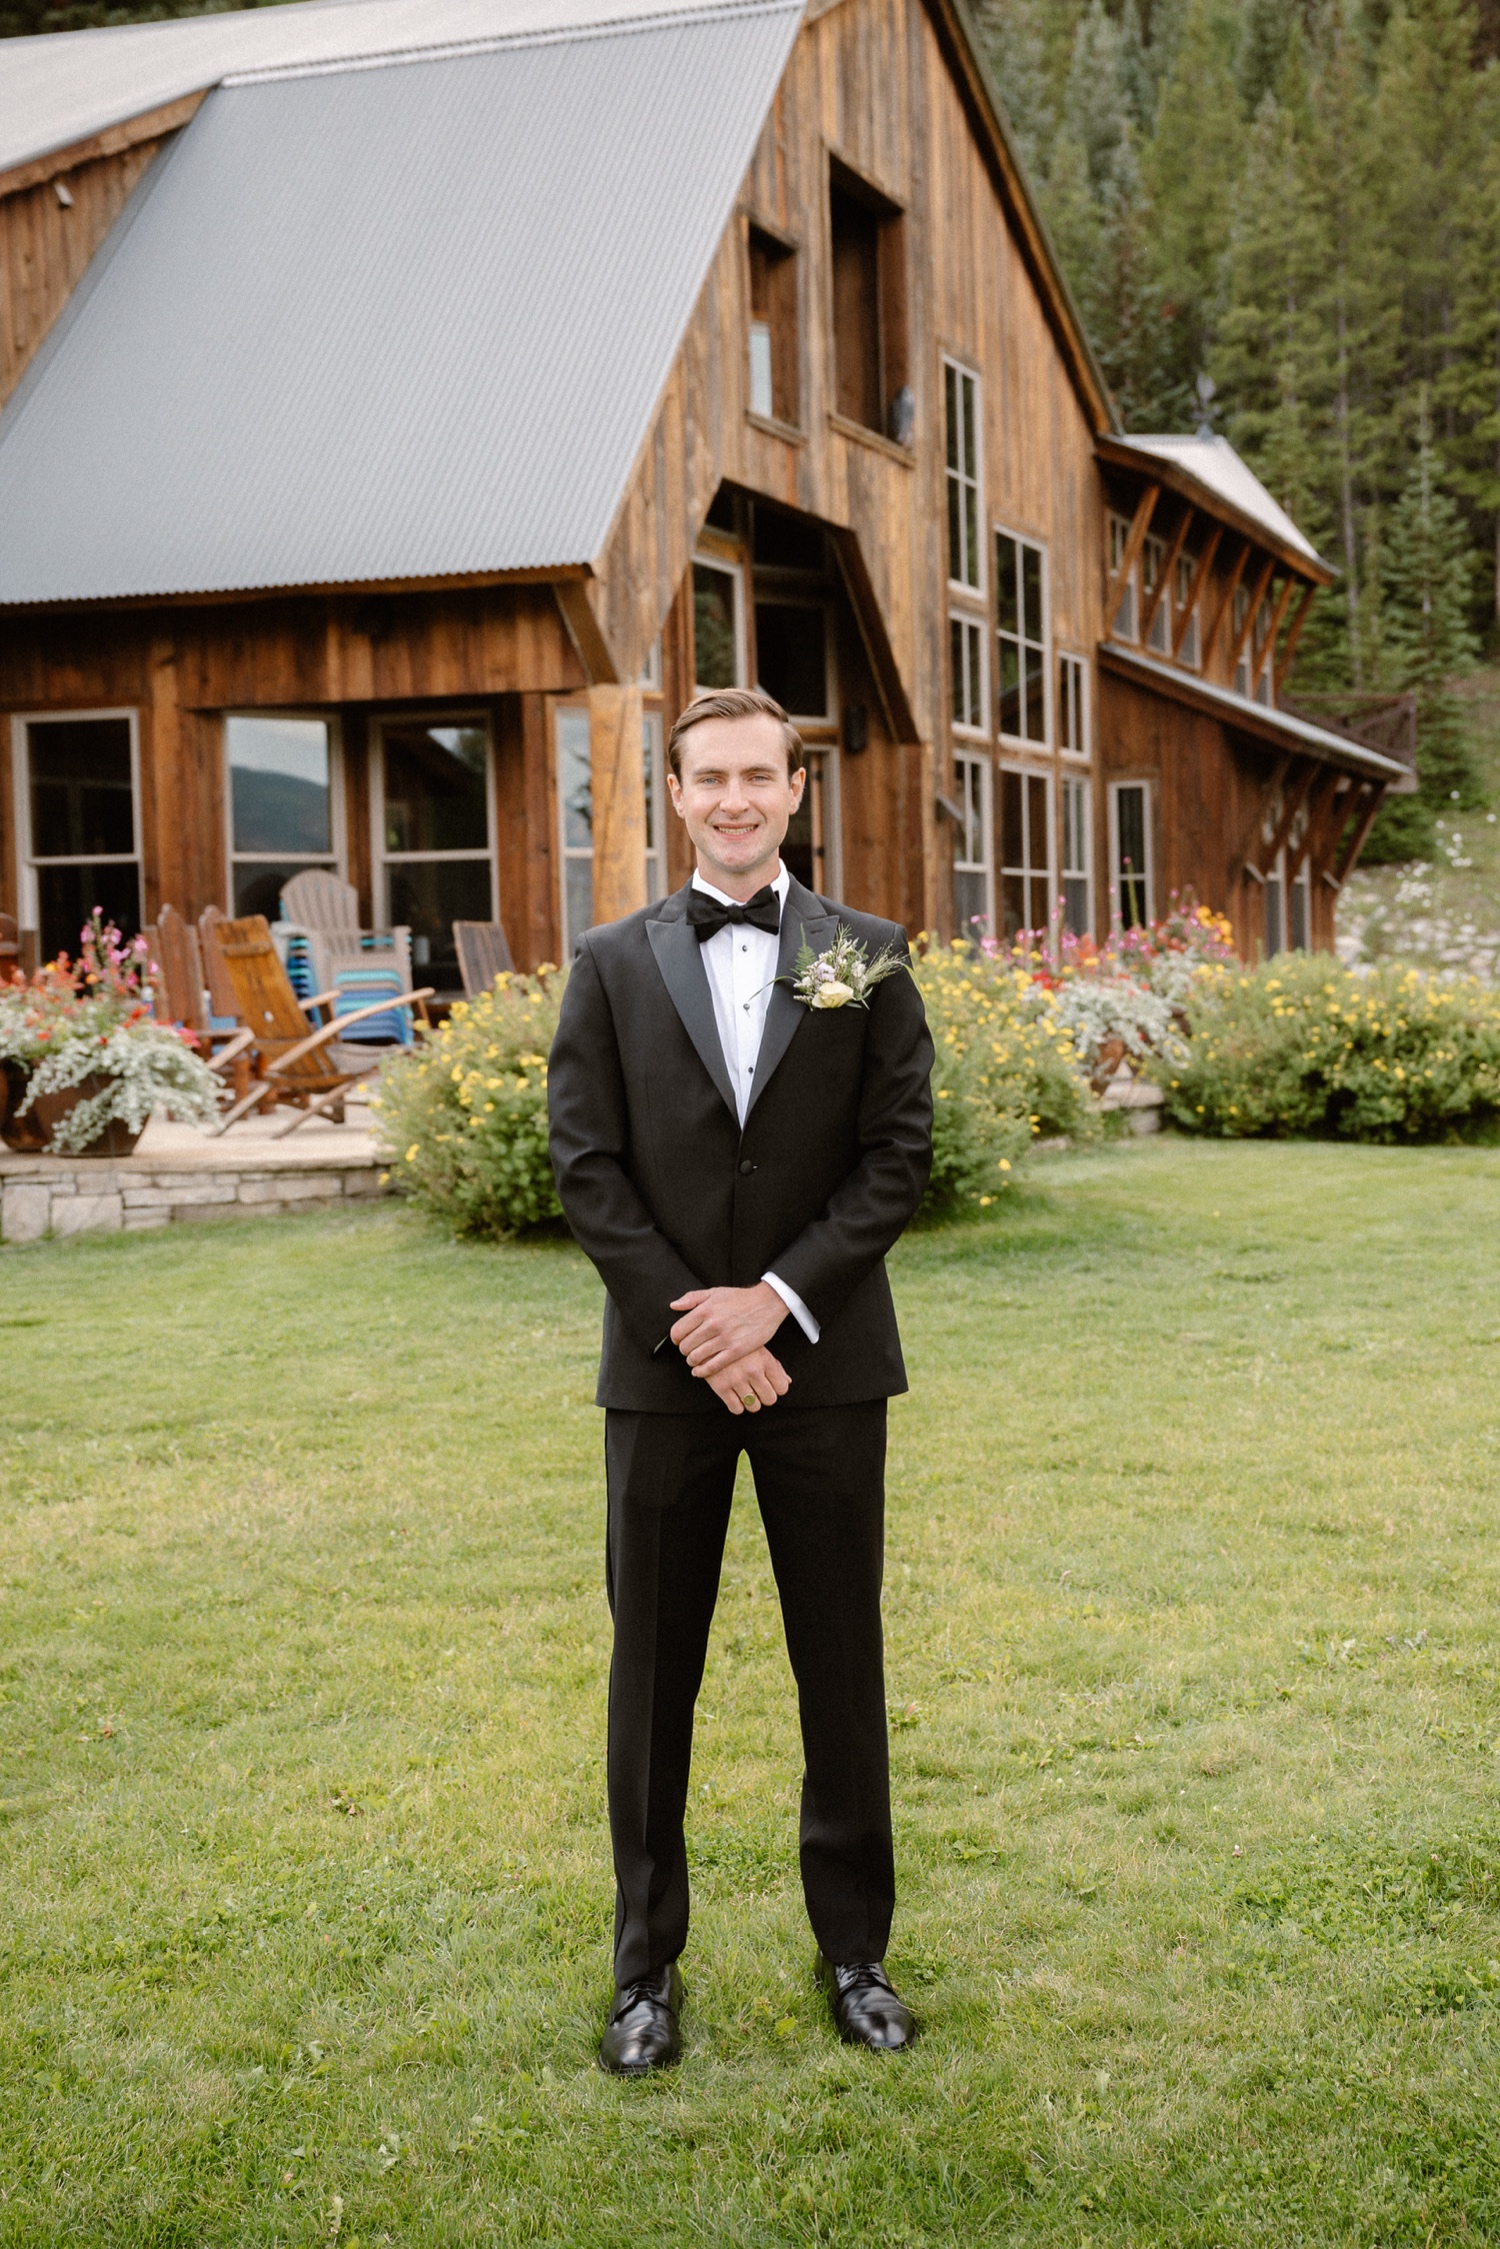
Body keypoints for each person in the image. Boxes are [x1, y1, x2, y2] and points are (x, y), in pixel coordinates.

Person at [547, 685, 934, 2074]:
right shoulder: (606, 961)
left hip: (826, 1372)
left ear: (794, 787)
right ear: (671, 790)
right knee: (652, 1675)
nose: (734, 797)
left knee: (841, 1661)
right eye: (708, 775)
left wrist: (773, 1308)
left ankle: (857, 1953)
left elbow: (897, 1152)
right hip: (661, 1384)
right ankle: (644, 1970)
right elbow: (585, 1163)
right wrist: (693, 1324)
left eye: (757, 775)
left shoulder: (867, 954)